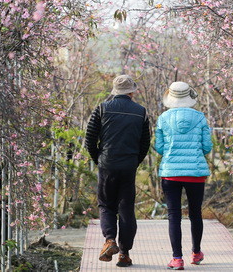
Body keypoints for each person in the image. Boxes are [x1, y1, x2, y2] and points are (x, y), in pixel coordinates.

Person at [85, 74, 151, 267]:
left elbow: (90, 138)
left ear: (115, 91)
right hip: (128, 165)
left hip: (107, 164)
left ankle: (109, 240)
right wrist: (135, 161)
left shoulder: (102, 108)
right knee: (126, 209)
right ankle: (124, 253)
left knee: (106, 205)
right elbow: (145, 142)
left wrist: (99, 159)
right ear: (131, 91)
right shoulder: (141, 112)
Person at [154, 81, 213, 270]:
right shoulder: (200, 117)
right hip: (195, 173)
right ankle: (196, 253)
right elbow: (207, 147)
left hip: (171, 173)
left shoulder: (163, 118)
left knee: (174, 216)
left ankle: (177, 259)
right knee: (196, 214)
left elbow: (159, 147)